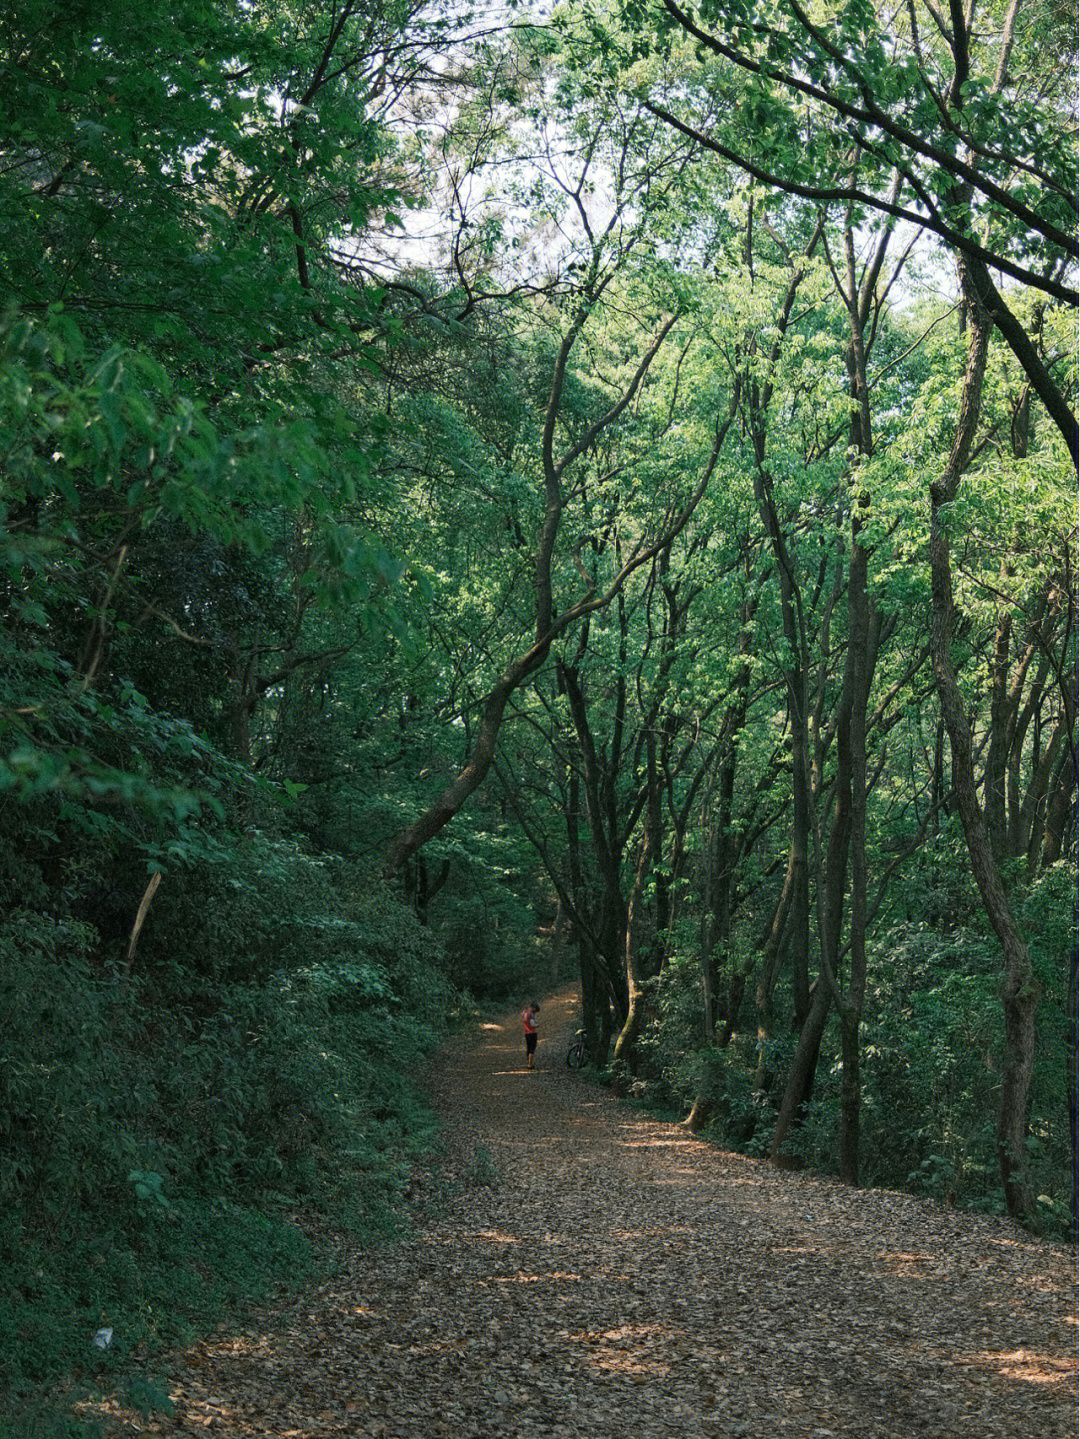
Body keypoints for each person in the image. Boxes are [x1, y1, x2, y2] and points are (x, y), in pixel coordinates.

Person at [522, 1000, 540, 1069]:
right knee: (532, 1049)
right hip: (532, 1032)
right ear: (533, 1008)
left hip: (526, 1032)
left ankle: (527, 1062)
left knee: (528, 1048)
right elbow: (532, 1024)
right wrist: (536, 1025)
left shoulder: (524, 1013)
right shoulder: (530, 1015)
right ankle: (530, 1064)